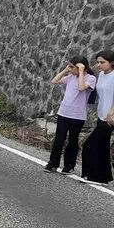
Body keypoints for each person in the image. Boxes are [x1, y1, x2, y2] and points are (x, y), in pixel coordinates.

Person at [45, 56, 95, 174]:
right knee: (58, 140)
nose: (70, 69)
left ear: (81, 67)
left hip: (77, 116)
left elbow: (81, 87)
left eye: (72, 67)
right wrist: (65, 70)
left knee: (72, 141)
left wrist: (82, 71)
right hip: (63, 113)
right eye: (70, 66)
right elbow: (54, 81)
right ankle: (52, 164)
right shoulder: (70, 76)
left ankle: (69, 166)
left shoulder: (91, 78)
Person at [82, 50, 114, 183]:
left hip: (110, 117)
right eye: (97, 62)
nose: (98, 65)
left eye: (102, 62)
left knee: (90, 144)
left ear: (112, 63)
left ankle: (94, 176)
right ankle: (104, 177)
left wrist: (112, 113)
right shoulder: (101, 74)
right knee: (102, 146)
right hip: (102, 115)